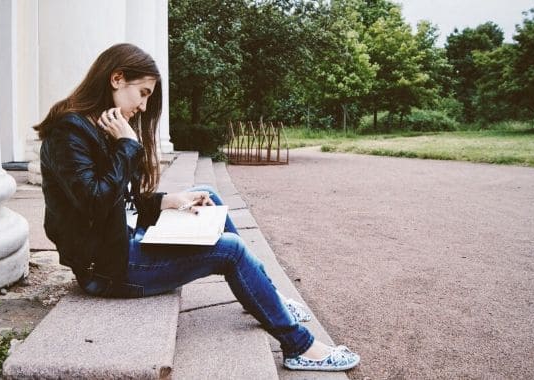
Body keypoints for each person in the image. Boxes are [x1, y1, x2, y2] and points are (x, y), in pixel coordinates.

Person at [35, 43, 359, 372]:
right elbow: (95, 202)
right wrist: (127, 145)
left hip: (122, 243)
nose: (145, 106)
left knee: (205, 194)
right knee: (229, 250)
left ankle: (268, 294)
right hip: (108, 271)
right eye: (143, 93)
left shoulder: (100, 126)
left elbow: (120, 202)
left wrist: (166, 201)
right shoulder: (70, 133)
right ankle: (299, 346)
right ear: (117, 78)